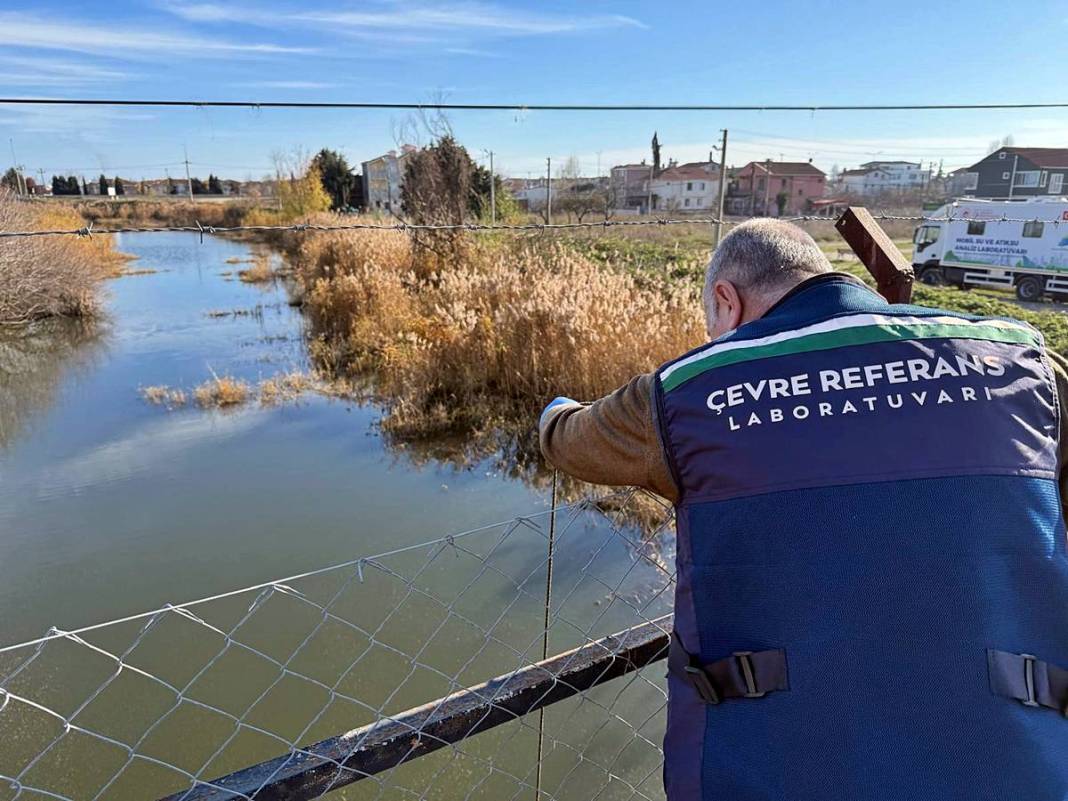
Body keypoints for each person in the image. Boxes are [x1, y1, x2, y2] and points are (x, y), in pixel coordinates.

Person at [540, 219, 1068, 801]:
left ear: (727, 300)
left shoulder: (683, 395)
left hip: (773, 770)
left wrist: (555, 408)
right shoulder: (1023, 363)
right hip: (1018, 761)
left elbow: (568, 439)